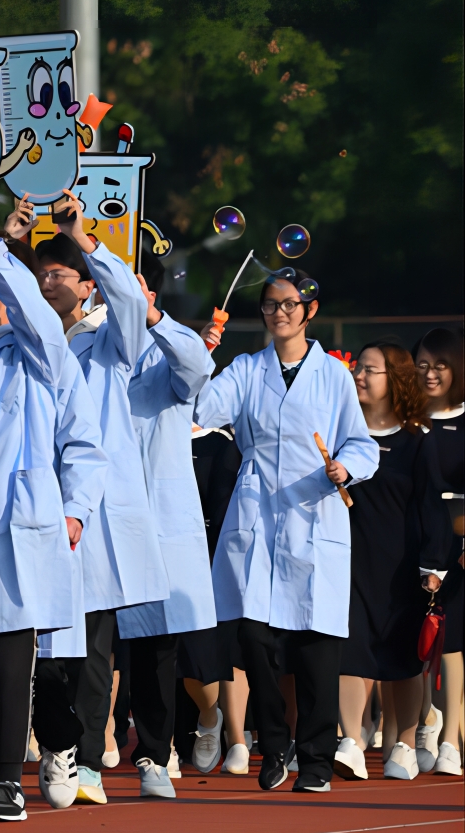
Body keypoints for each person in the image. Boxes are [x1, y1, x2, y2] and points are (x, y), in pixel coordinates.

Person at [193, 270, 378, 792]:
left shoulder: (333, 375)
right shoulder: (247, 369)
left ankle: (317, 761)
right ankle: (275, 744)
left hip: (315, 511)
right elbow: (204, 408)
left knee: (316, 647)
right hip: (257, 512)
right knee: (253, 635)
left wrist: (346, 467)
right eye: (271, 304)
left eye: (290, 305)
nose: (279, 313)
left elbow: (361, 444)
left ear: (310, 311)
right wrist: (203, 352)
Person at [0, 223, 101, 824]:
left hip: (17, 525)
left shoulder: (40, 351)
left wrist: (75, 510)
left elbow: (83, 445)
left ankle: (8, 776)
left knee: (11, 663)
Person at [23, 195, 168, 807]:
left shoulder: (109, 338)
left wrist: (84, 237)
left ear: (86, 284)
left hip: (94, 510)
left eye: (60, 274)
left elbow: (133, 303)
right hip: (34, 500)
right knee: (41, 642)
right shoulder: (22, 339)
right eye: (40, 275)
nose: (48, 283)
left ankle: (85, 760)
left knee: (92, 643)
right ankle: (57, 749)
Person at [117, 264, 223, 798]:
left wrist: (153, 316)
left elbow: (197, 366)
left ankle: (155, 755)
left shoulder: (169, 358)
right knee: (92, 647)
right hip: (96, 514)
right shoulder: (87, 345)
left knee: (155, 644)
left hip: (153, 521)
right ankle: (87, 754)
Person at [337, 343, 448, 780]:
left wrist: (433, 565)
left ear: (394, 379)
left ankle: (403, 743)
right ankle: (350, 738)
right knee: (351, 651)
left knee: (401, 661)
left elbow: (431, 506)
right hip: (347, 563)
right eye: (357, 368)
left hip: (403, 569)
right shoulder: (343, 435)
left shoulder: (417, 441)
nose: (359, 376)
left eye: (370, 370)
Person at [415, 328, 464, 775]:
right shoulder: (405, 421)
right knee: (414, 643)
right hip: (408, 543)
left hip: (457, 547)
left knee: (452, 642)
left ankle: (451, 737)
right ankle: (424, 720)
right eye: (423, 365)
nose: (431, 374)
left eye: (441, 365)